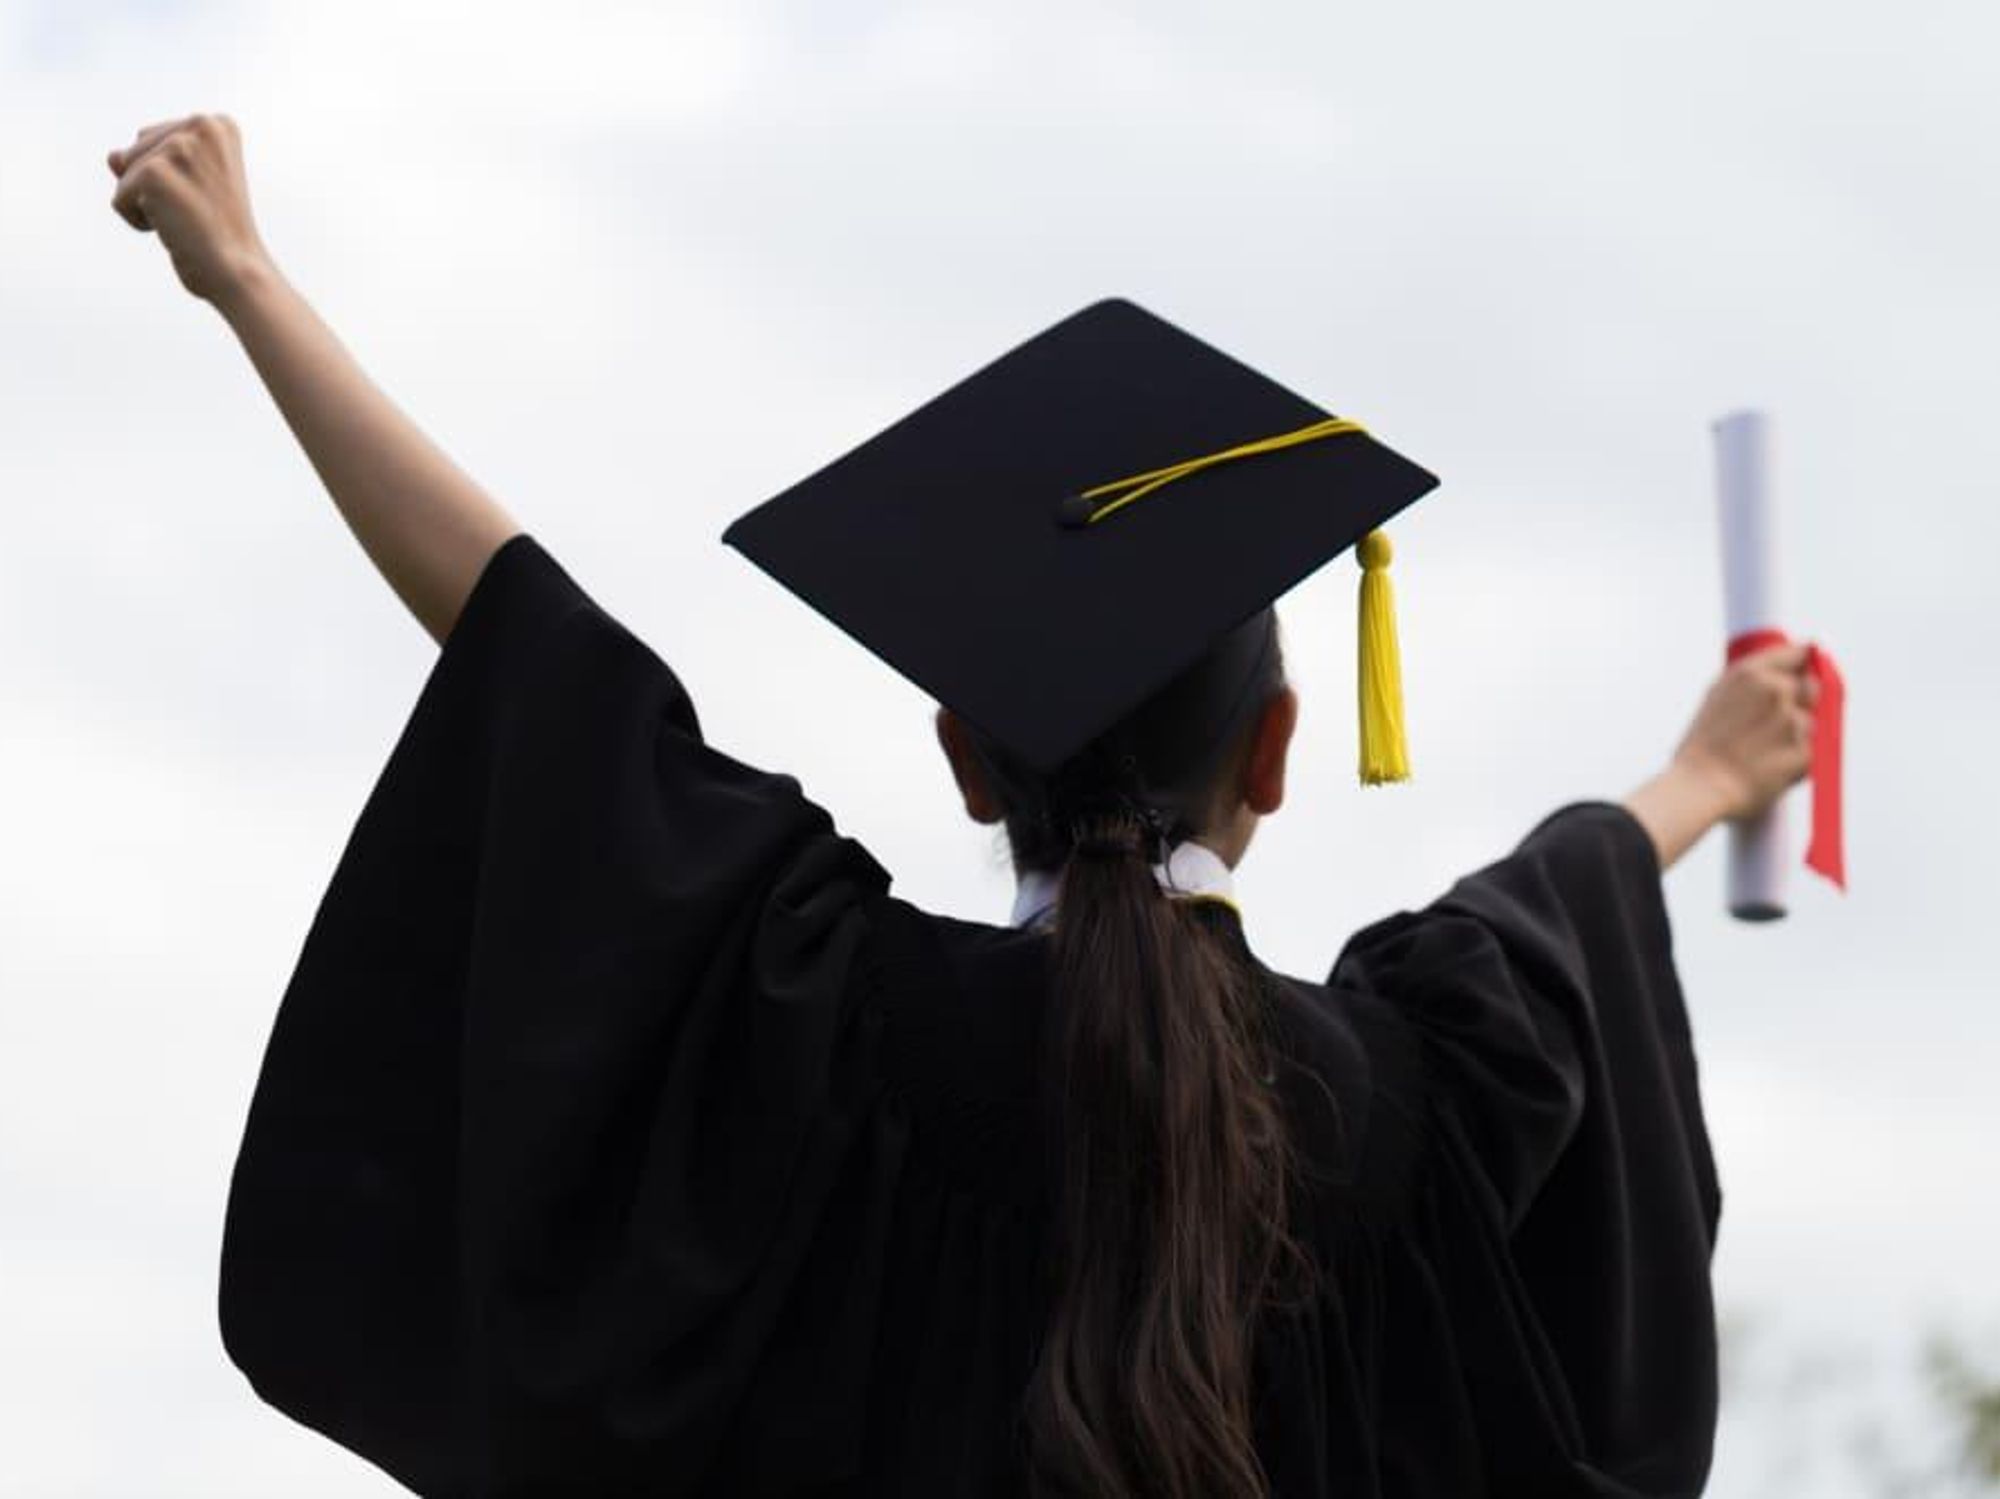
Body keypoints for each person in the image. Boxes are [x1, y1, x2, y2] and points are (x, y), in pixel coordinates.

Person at [110, 115, 1818, 1498]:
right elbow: (1547, 914)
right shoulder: (1408, 1098)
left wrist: (246, 279)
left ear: (962, 754)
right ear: (1280, 752)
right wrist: (1709, 776)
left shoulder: (834, 1024)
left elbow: (533, 655)